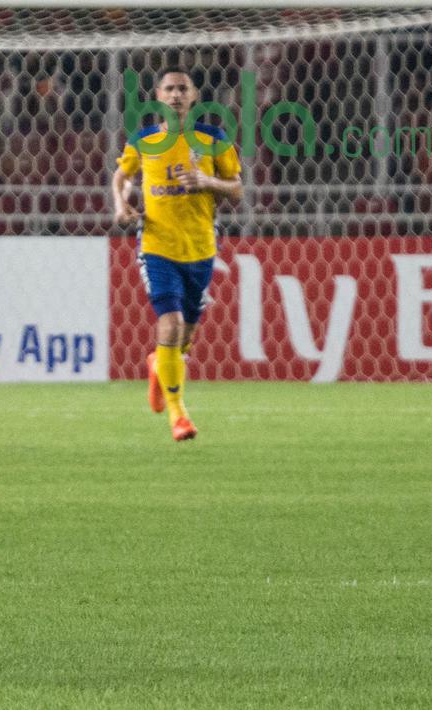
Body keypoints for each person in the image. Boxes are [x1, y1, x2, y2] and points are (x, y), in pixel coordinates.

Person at [111, 66, 242, 441]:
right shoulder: (144, 139)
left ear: (195, 95)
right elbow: (121, 176)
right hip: (156, 245)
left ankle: (158, 364)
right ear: (158, 96)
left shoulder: (214, 138)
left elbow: (236, 189)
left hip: (200, 246)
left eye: (183, 88)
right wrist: (120, 206)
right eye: (169, 89)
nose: (176, 95)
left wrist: (207, 181)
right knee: (168, 324)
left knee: (183, 335)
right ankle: (178, 414)